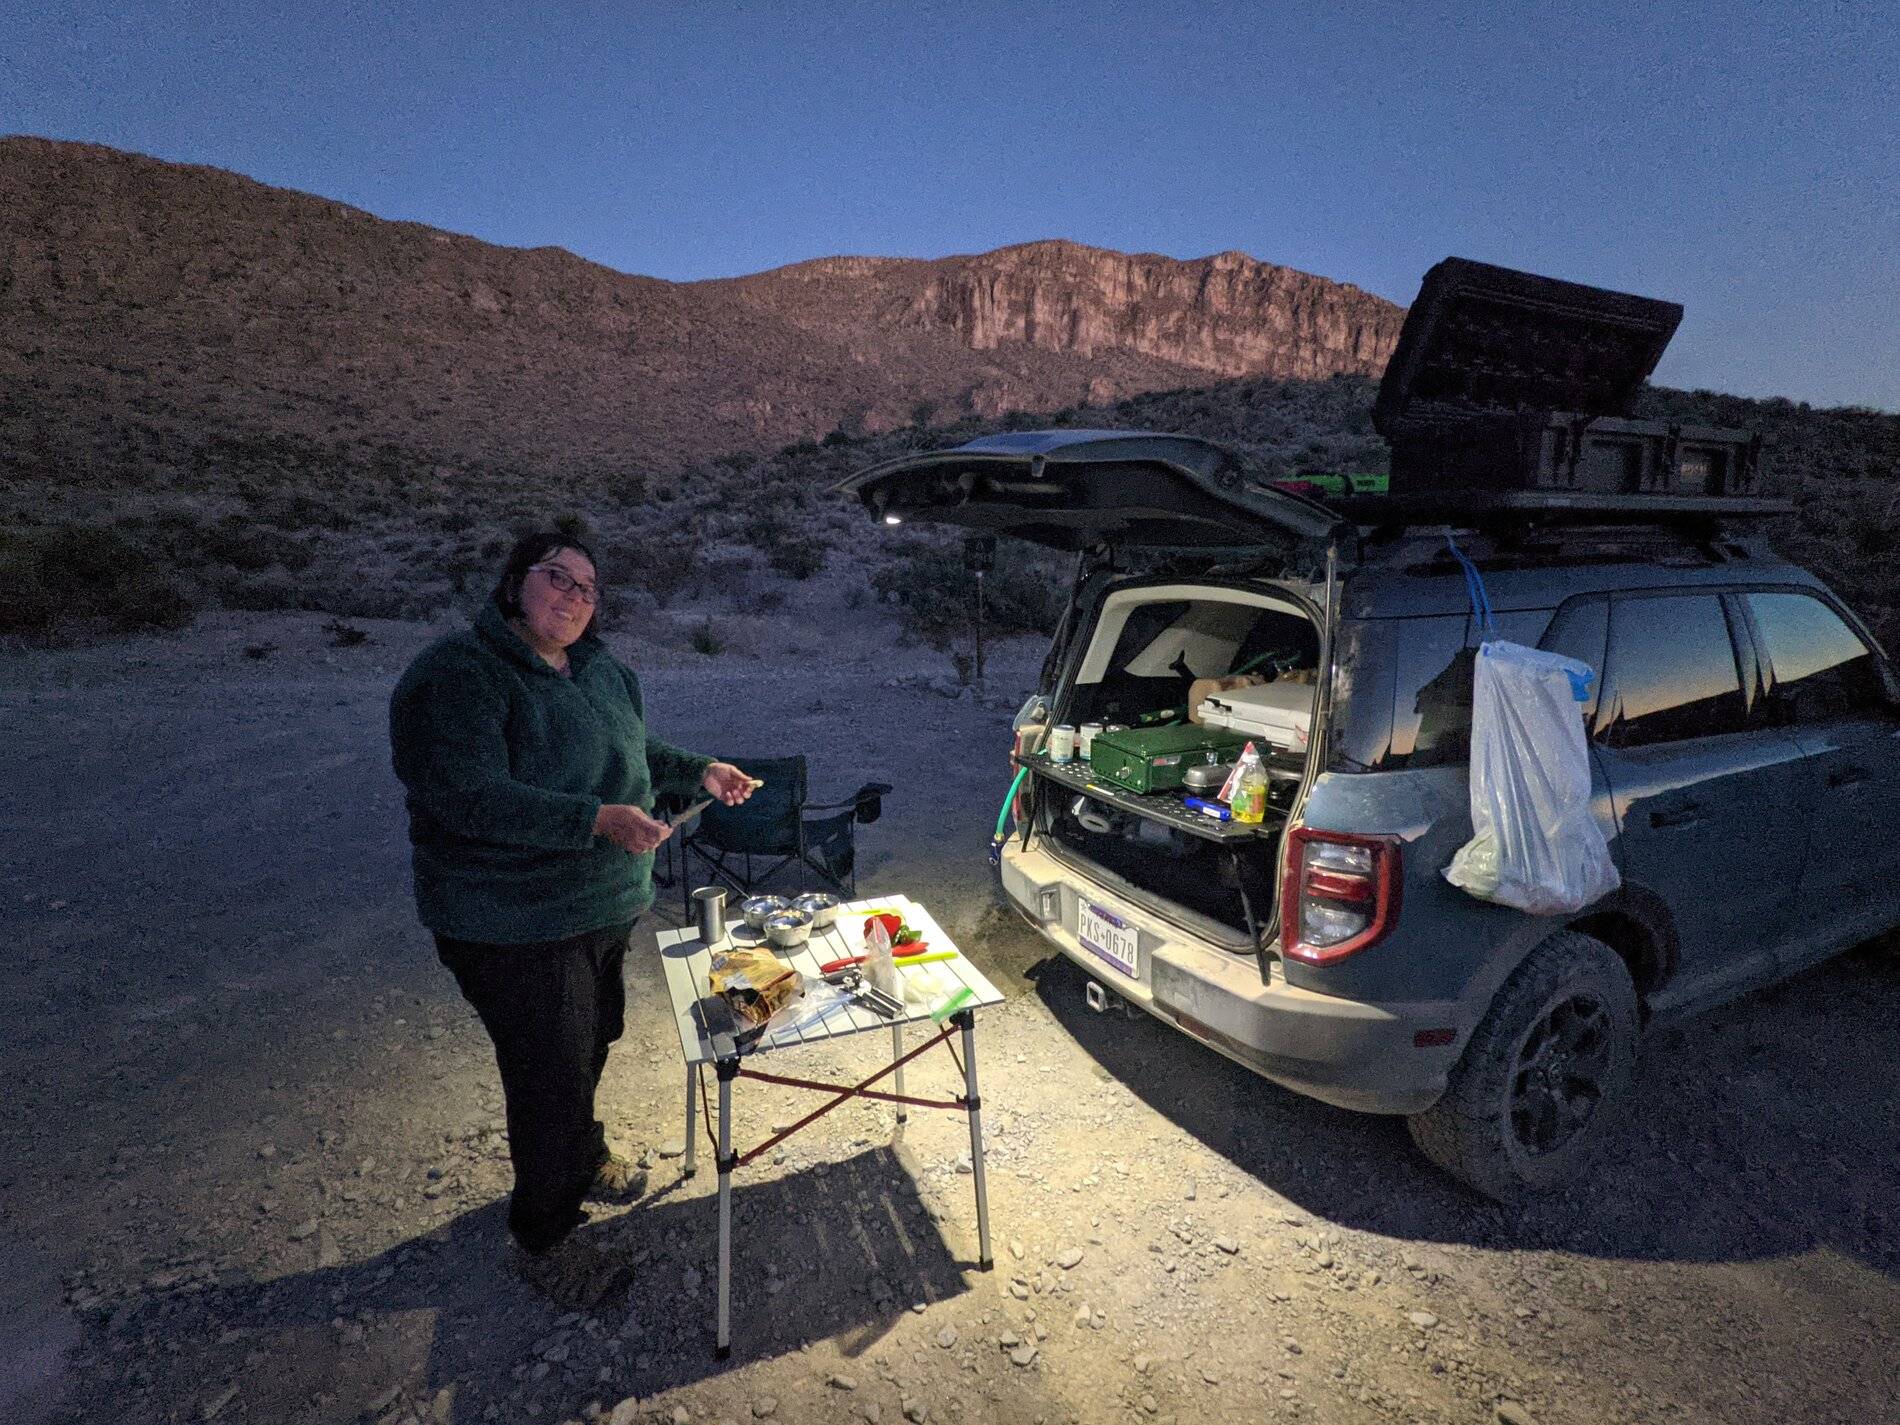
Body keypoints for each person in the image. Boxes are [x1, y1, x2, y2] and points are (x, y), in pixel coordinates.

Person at [388, 529, 754, 1306]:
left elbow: (638, 749)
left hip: (603, 907)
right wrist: (595, 819)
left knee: (592, 1038)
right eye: (558, 577)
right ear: (516, 581)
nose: (575, 596)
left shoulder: (599, 669)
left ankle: (582, 1157)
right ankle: (544, 1236)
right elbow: (465, 794)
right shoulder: (459, 674)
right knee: (549, 1073)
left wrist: (702, 769)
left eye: (589, 587)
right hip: (512, 921)